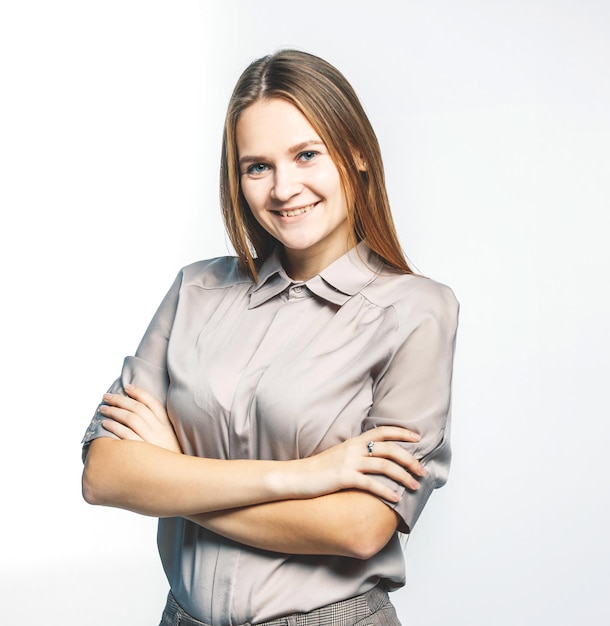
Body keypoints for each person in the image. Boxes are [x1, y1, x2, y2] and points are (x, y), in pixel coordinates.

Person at [81, 49, 459, 626]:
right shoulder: (196, 290)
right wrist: (303, 477)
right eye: (257, 167)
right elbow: (105, 473)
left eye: (306, 155)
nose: (284, 189)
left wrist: (174, 475)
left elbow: (359, 527)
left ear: (356, 152)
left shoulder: (415, 312)